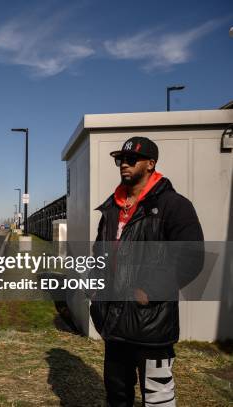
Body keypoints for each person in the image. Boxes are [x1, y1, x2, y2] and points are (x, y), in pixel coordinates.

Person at [91, 136, 204, 407]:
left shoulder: (173, 205)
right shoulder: (112, 209)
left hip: (152, 325)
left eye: (132, 160)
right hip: (115, 323)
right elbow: (99, 254)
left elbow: (192, 257)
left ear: (150, 164)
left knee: (158, 399)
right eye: (121, 160)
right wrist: (95, 291)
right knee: (117, 396)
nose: (124, 165)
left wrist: (150, 291)